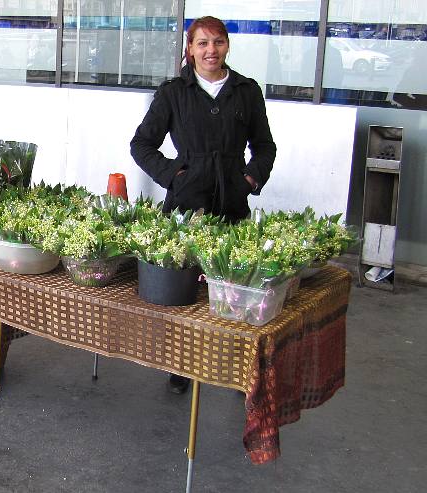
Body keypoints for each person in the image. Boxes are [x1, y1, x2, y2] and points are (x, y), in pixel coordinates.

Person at [130, 16, 276, 394]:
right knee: (183, 290)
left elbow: (264, 146)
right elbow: (142, 144)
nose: (211, 50)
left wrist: (248, 179)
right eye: (202, 43)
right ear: (190, 49)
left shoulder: (245, 90)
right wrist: (175, 175)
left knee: (233, 288)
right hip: (186, 204)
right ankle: (182, 366)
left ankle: (235, 368)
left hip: (232, 201)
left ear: (227, 46)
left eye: (218, 42)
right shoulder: (174, 92)